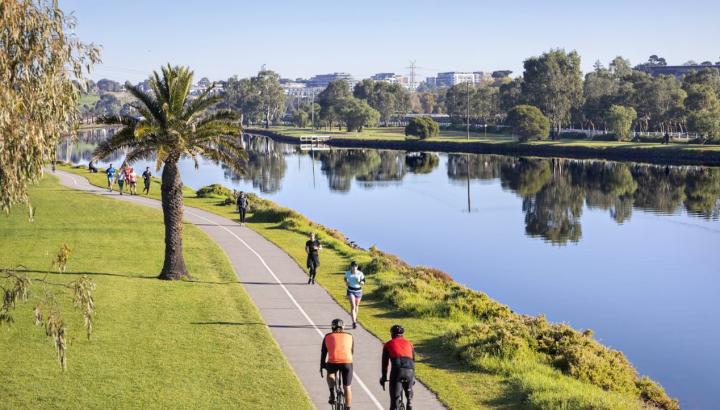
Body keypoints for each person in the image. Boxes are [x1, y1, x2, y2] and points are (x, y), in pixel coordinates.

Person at [380, 325, 416, 410]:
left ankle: (396, 406)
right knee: (409, 390)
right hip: (410, 370)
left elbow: (384, 364)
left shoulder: (388, 344)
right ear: (402, 335)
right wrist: (412, 378)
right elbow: (413, 361)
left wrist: (384, 377)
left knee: (394, 402)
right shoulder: (410, 344)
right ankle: (409, 400)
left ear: (392, 334)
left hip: (397, 370)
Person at [320, 318, 354, 409]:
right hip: (347, 362)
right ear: (343, 327)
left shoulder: (327, 336)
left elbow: (323, 353)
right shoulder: (350, 336)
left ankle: (332, 394)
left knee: (330, 375)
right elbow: (351, 351)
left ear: (332, 327)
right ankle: (348, 408)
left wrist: (322, 366)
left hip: (333, 362)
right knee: (347, 387)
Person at [344, 261, 365, 329]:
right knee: (353, 306)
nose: (354, 267)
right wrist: (347, 281)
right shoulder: (347, 273)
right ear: (351, 267)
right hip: (351, 290)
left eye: (355, 266)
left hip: (358, 291)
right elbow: (345, 280)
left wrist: (358, 281)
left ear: (357, 267)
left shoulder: (360, 273)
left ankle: (355, 318)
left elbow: (363, 282)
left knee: (356, 306)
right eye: (353, 266)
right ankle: (354, 322)